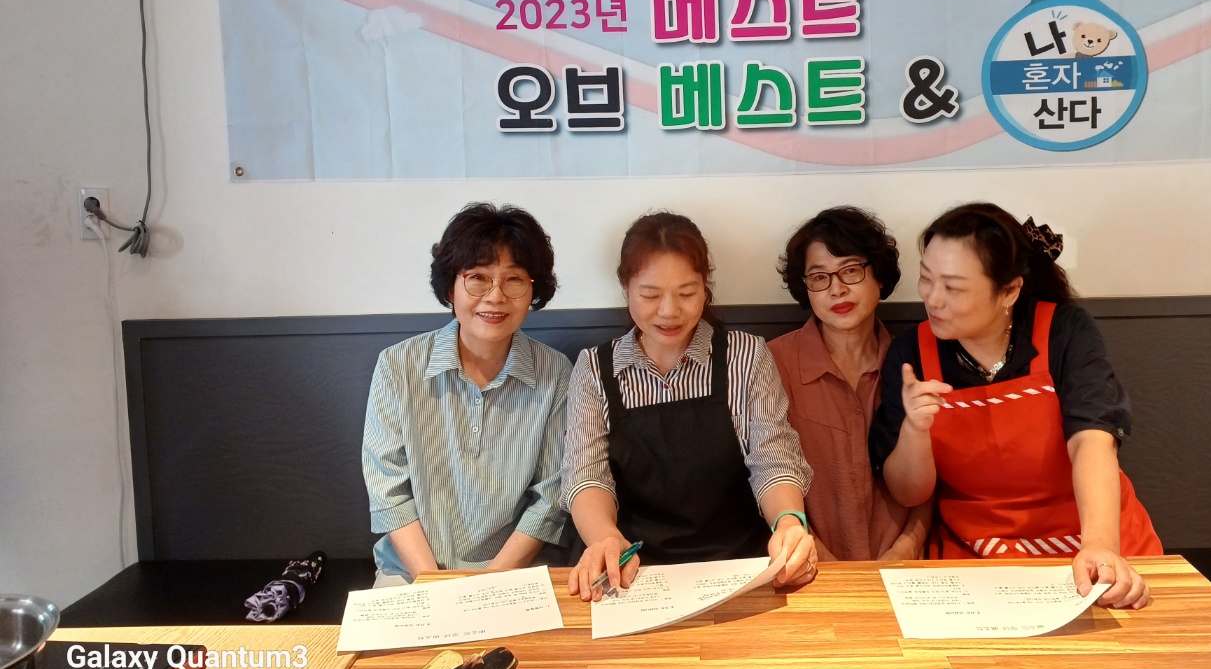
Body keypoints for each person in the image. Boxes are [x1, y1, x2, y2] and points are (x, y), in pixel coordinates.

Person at [870, 202, 1161, 609]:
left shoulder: (1064, 331)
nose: (932, 299)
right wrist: (915, 429)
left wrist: (1101, 547)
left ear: (1009, 290)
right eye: (926, 279)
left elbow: (1093, 441)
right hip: (977, 555)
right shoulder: (911, 353)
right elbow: (908, 492)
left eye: (953, 287)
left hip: (1092, 541)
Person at [561, 211, 817, 601]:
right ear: (625, 288)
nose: (669, 311)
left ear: (705, 287)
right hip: (636, 573)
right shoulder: (595, 368)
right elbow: (587, 474)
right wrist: (605, 538)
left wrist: (788, 523)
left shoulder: (745, 355)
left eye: (686, 293)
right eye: (650, 295)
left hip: (740, 568)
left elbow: (773, 459)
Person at [362, 203, 571, 586]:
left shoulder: (556, 373)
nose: (495, 296)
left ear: (533, 290)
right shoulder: (397, 366)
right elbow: (389, 493)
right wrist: (435, 585)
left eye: (514, 279)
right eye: (477, 278)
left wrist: (484, 588)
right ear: (450, 286)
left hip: (518, 573)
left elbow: (550, 498)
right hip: (411, 572)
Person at [769, 207, 932, 562]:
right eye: (819, 277)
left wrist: (908, 546)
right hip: (807, 567)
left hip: (905, 567)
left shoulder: (914, 360)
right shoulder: (772, 363)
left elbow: (936, 477)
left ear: (879, 276)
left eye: (851, 270)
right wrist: (819, 559)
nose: (837, 289)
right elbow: (761, 474)